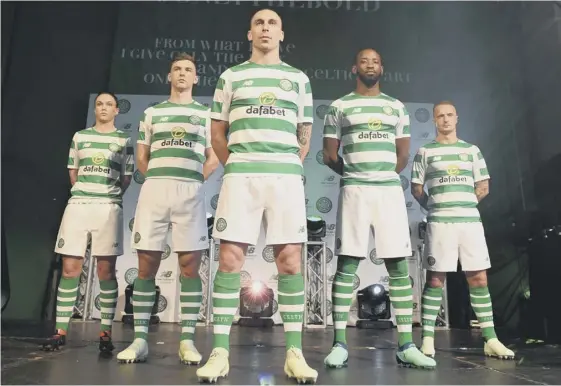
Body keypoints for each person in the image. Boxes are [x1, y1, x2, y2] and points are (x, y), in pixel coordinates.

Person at [196, 8, 317, 384]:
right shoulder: (231, 76)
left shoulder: (297, 79)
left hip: (284, 178)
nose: (266, 28)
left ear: (282, 34)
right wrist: (238, 165)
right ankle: (219, 352)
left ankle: (294, 353)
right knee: (230, 259)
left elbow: (304, 134)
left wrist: (286, 164)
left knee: (291, 260)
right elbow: (218, 133)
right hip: (242, 176)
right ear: (249, 34)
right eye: (259, 23)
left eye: (273, 24)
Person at [322, 48, 436, 370]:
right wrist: (358, 175)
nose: (369, 65)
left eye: (375, 61)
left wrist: (381, 175)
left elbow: (402, 156)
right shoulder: (339, 106)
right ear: (354, 67)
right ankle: (339, 343)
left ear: (382, 68)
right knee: (347, 264)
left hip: (387, 192)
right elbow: (330, 155)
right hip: (355, 191)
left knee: (398, 265)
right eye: (364, 61)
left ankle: (406, 345)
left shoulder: (395, 106)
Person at [117, 53, 219, 364]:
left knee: (190, 266)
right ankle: (140, 340)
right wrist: (159, 179)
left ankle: (187, 339)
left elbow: (214, 156)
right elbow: (142, 158)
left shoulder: (205, 114)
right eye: (177, 69)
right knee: (146, 265)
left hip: (190, 192)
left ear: (196, 78)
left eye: (189, 69)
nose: (183, 74)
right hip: (155, 191)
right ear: (169, 76)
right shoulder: (152, 113)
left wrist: (194, 181)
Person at [411, 101, 515, 360]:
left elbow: (483, 186)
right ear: (434, 120)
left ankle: (490, 339)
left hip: (469, 222)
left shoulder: (472, 150)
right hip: (440, 223)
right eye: (440, 116)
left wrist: (465, 204)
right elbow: (416, 190)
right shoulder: (425, 152)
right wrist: (437, 206)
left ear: (457, 118)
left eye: (449, 115)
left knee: (479, 278)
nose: (445, 120)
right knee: (435, 280)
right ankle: (427, 339)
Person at [43, 92, 134, 352]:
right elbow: (73, 172)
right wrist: (84, 193)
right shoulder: (80, 137)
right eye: (99, 104)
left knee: (106, 270)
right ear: (95, 109)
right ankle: (60, 331)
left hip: (107, 208)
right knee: (71, 268)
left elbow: (126, 177)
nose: (103, 108)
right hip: (79, 206)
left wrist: (109, 197)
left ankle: (105, 333)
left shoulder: (124, 139)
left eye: (109, 104)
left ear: (117, 111)